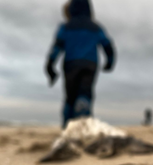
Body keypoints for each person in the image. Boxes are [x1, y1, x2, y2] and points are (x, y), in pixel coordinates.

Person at [45, 0, 116, 128]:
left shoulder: (65, 27)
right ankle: (84, 122)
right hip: (90, 64)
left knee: (70, 97)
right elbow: (107, 44)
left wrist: (50, 65)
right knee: (85, 93)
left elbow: (56, 47)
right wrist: (110, 61)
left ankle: (67, 126)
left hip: (71, 64)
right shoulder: (96, 27)